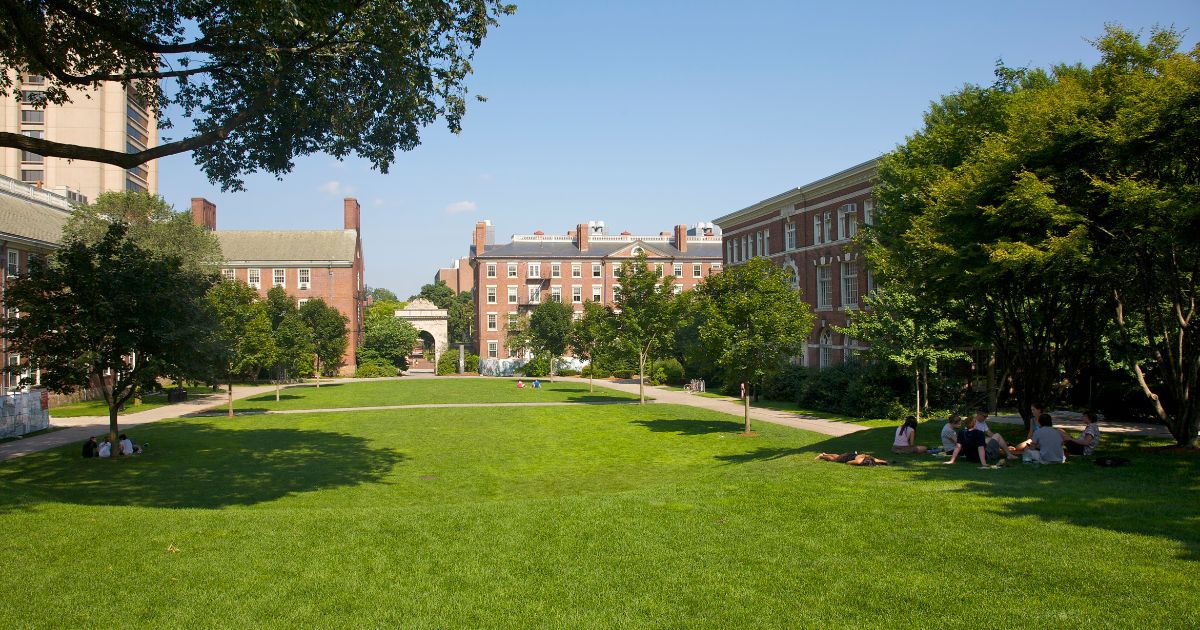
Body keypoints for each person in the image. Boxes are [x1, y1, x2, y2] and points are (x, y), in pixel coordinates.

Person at [816, 452, 889, 466]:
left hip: (851, 454)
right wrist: (847, 463)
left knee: (837, 456)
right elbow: (849, 462)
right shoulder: (859, 461)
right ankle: (821, 456)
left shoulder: (870, 457)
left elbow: (878, 460)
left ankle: (825, 454)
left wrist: (885, 462)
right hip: (847, 457)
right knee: (834, 460)